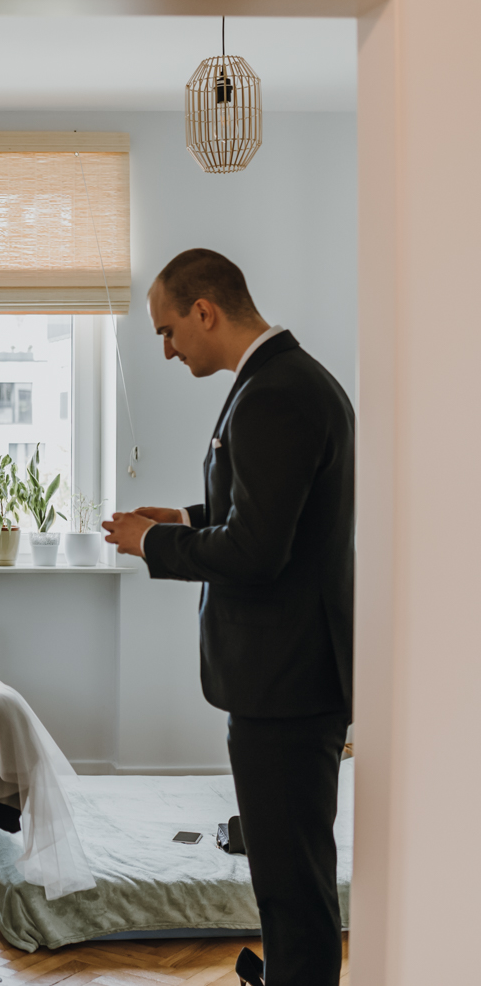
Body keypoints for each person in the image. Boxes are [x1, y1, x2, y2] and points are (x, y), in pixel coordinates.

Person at [104, 249, 353, 986]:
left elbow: (255, 550)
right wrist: (185, 518)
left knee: (292, 884)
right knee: (286, 875)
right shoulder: (286, 379)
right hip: (290, 675)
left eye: (167, 330)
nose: (167, 349)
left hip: (286, 681)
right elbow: (265, 511)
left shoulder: (275, 393)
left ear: (205, 311)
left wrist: (152, 543)